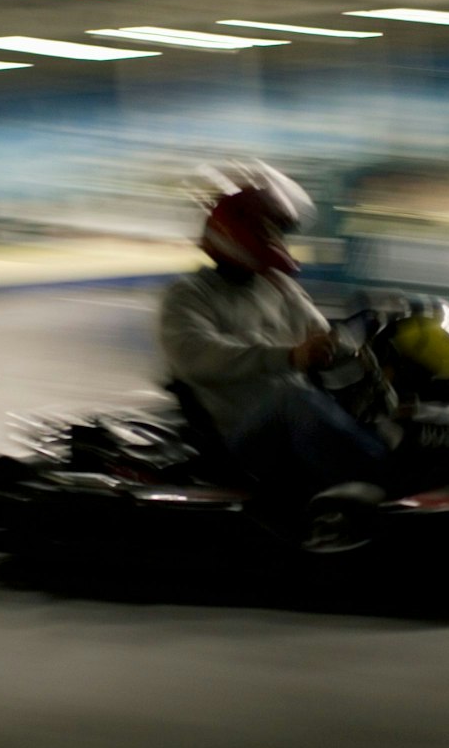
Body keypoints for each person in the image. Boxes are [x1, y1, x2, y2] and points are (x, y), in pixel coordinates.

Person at [158, 163, 389, 499]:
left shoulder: (278, 286)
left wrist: (368, 344)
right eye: (269, 230)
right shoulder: (188, 295)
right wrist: (289, 356)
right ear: (241, 230)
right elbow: (197, 357)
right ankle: (381, 483)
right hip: (241, 438)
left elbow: (325, 338)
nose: (277, 239)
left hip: (299, 420)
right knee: (292, 399)